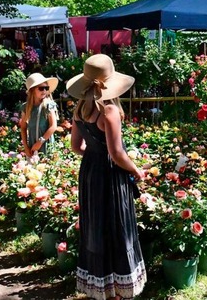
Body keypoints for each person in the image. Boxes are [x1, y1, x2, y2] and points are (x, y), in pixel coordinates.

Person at [67, 54, 146, 299]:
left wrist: (93, 156)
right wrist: (135, 169)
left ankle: (102, 285)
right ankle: (118, 288)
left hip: (90, 172)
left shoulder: (79, 110)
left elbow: (75, 147)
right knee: (117, 225)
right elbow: (117, 152)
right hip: (110, 175)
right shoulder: (109, 110)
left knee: (96, 226)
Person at [19, 73, 59, 158]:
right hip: (32, 145)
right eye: (41, 88)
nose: (44, 91)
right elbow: (23, 127)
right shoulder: (26, 107)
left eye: (46, 88)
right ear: (32, 90)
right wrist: (25, 147)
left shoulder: (48, 105)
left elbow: (53, 126)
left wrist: (40, 141)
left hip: (46, 144)